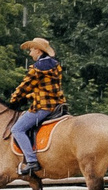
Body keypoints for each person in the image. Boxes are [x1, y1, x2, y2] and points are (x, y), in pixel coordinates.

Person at [5, 38, 67, 174]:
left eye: (31, 50)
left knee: (17, 129)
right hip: (58, 104)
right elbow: (47, 89)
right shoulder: (55, 65)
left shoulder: (37, 68)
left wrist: (14, 100)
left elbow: (25, 86)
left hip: (43, 107)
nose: (30, 53)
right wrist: (29, 97)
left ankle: (32, 161)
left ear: (38, 50)